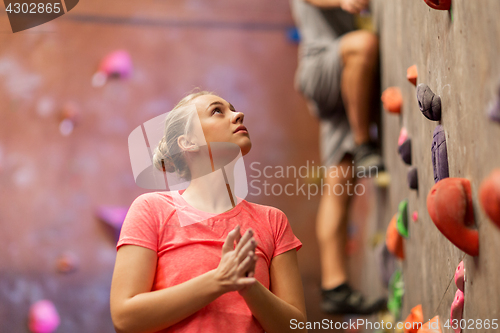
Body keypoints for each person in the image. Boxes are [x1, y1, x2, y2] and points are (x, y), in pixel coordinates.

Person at [110, 91, 307, 333]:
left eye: (233, 109)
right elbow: (124, 319)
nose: (239, 115)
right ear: (188, 143)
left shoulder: (273, 221)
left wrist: (250, 288)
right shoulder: (151, 209)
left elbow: (297, 329)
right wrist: (219, 280)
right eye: (217, 111)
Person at [290, 0, 386, 315]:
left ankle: (335, 286)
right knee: (364, 45)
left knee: (340, 181)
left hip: (344, 76)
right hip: (324, 65)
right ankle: (363, 143)